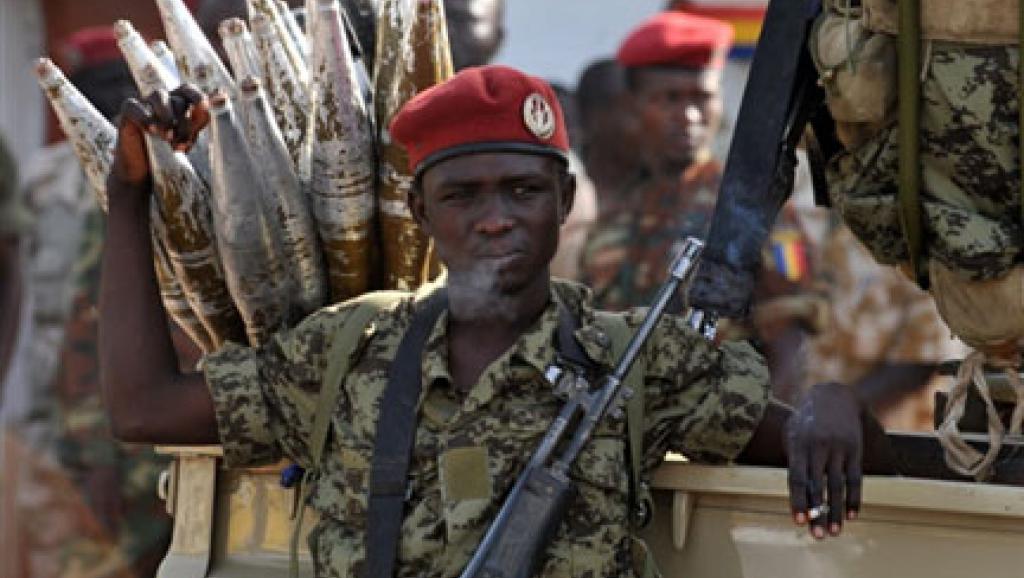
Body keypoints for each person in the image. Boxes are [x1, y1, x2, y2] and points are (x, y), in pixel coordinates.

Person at [99, 64, 884, 578]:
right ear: (420, 213)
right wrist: (129, 198)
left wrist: (832, 403)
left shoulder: (633, 360)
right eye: (464, 196)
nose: (496, 220)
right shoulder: (350, 350)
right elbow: (140, 409)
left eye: (522, 191)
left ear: (565, 203)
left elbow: (835, 444)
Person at [0, 27, 183, 578]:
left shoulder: (166, 180)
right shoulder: (46, 181)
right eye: (88, 89)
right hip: (60, 418)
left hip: (139, 431)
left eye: (113, 88)